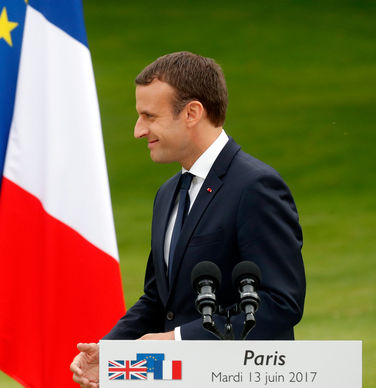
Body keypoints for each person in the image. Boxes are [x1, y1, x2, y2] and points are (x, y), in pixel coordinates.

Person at [71, 51, 305, 386]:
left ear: (192, 113)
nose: (138, 131)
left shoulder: (255, 187)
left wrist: (178, 341)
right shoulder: (167, 194)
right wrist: (110, 351)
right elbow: (158, 300)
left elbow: (280, 305)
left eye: (149, 116)